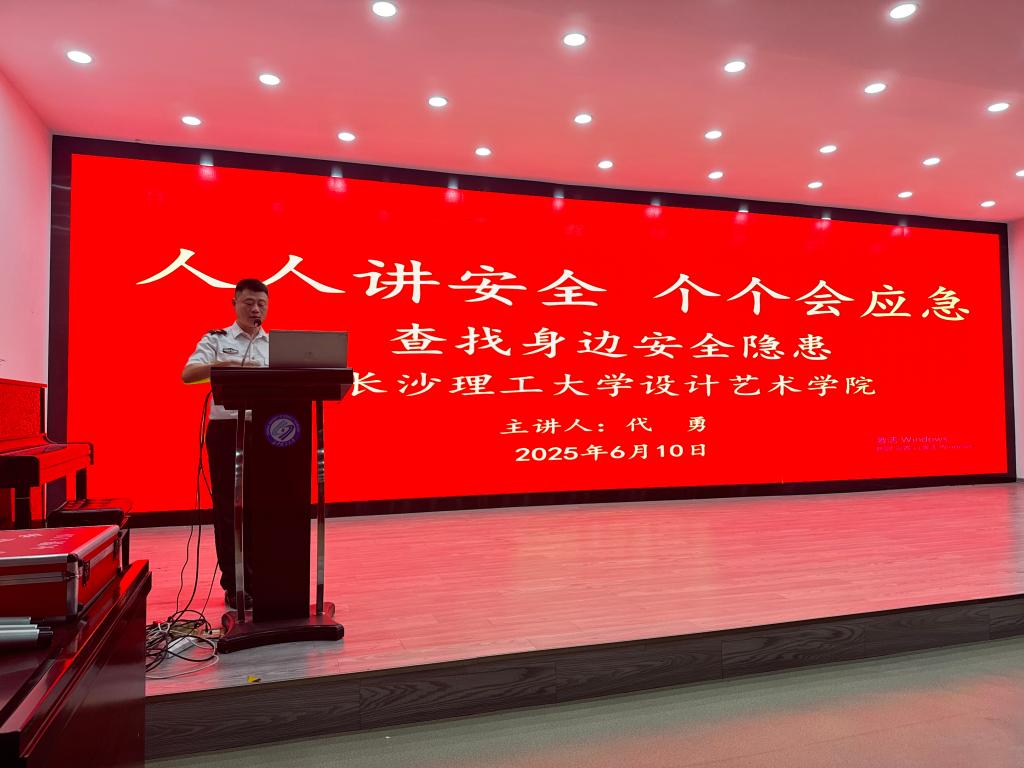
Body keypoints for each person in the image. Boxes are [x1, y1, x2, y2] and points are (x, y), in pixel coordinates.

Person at [181, 278, 270, 610]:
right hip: (227, 432)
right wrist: (222, 366)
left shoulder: (274, 345)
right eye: (249, 302)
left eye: (261, 304)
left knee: (263, 507)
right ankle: (235, 584)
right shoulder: (216, 339)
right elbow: (188, 374)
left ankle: (263, 578)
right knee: (230, 510)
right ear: (234, 304)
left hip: (266, 432)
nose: (256, 309)